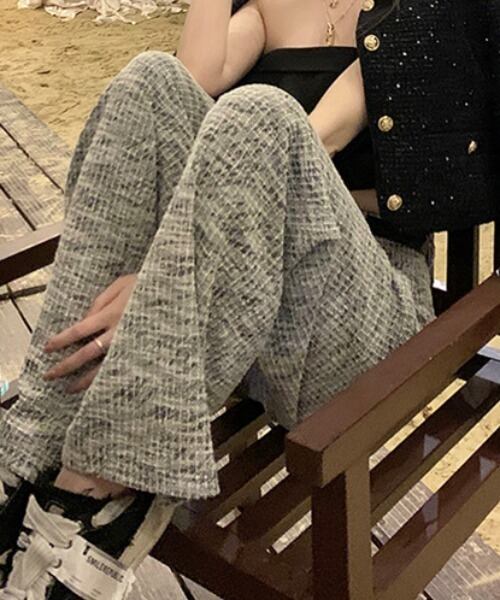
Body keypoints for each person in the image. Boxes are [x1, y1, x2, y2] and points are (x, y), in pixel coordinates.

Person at [0, 0, 497, 597]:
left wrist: (172, 266)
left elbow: (313, 140)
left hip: (359, 321)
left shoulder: (423, 13)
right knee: (148, 80)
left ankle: (99, 491)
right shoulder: (274, 7)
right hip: (238, 316)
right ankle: (27, 452)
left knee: (262, 114)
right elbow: (188, 82)